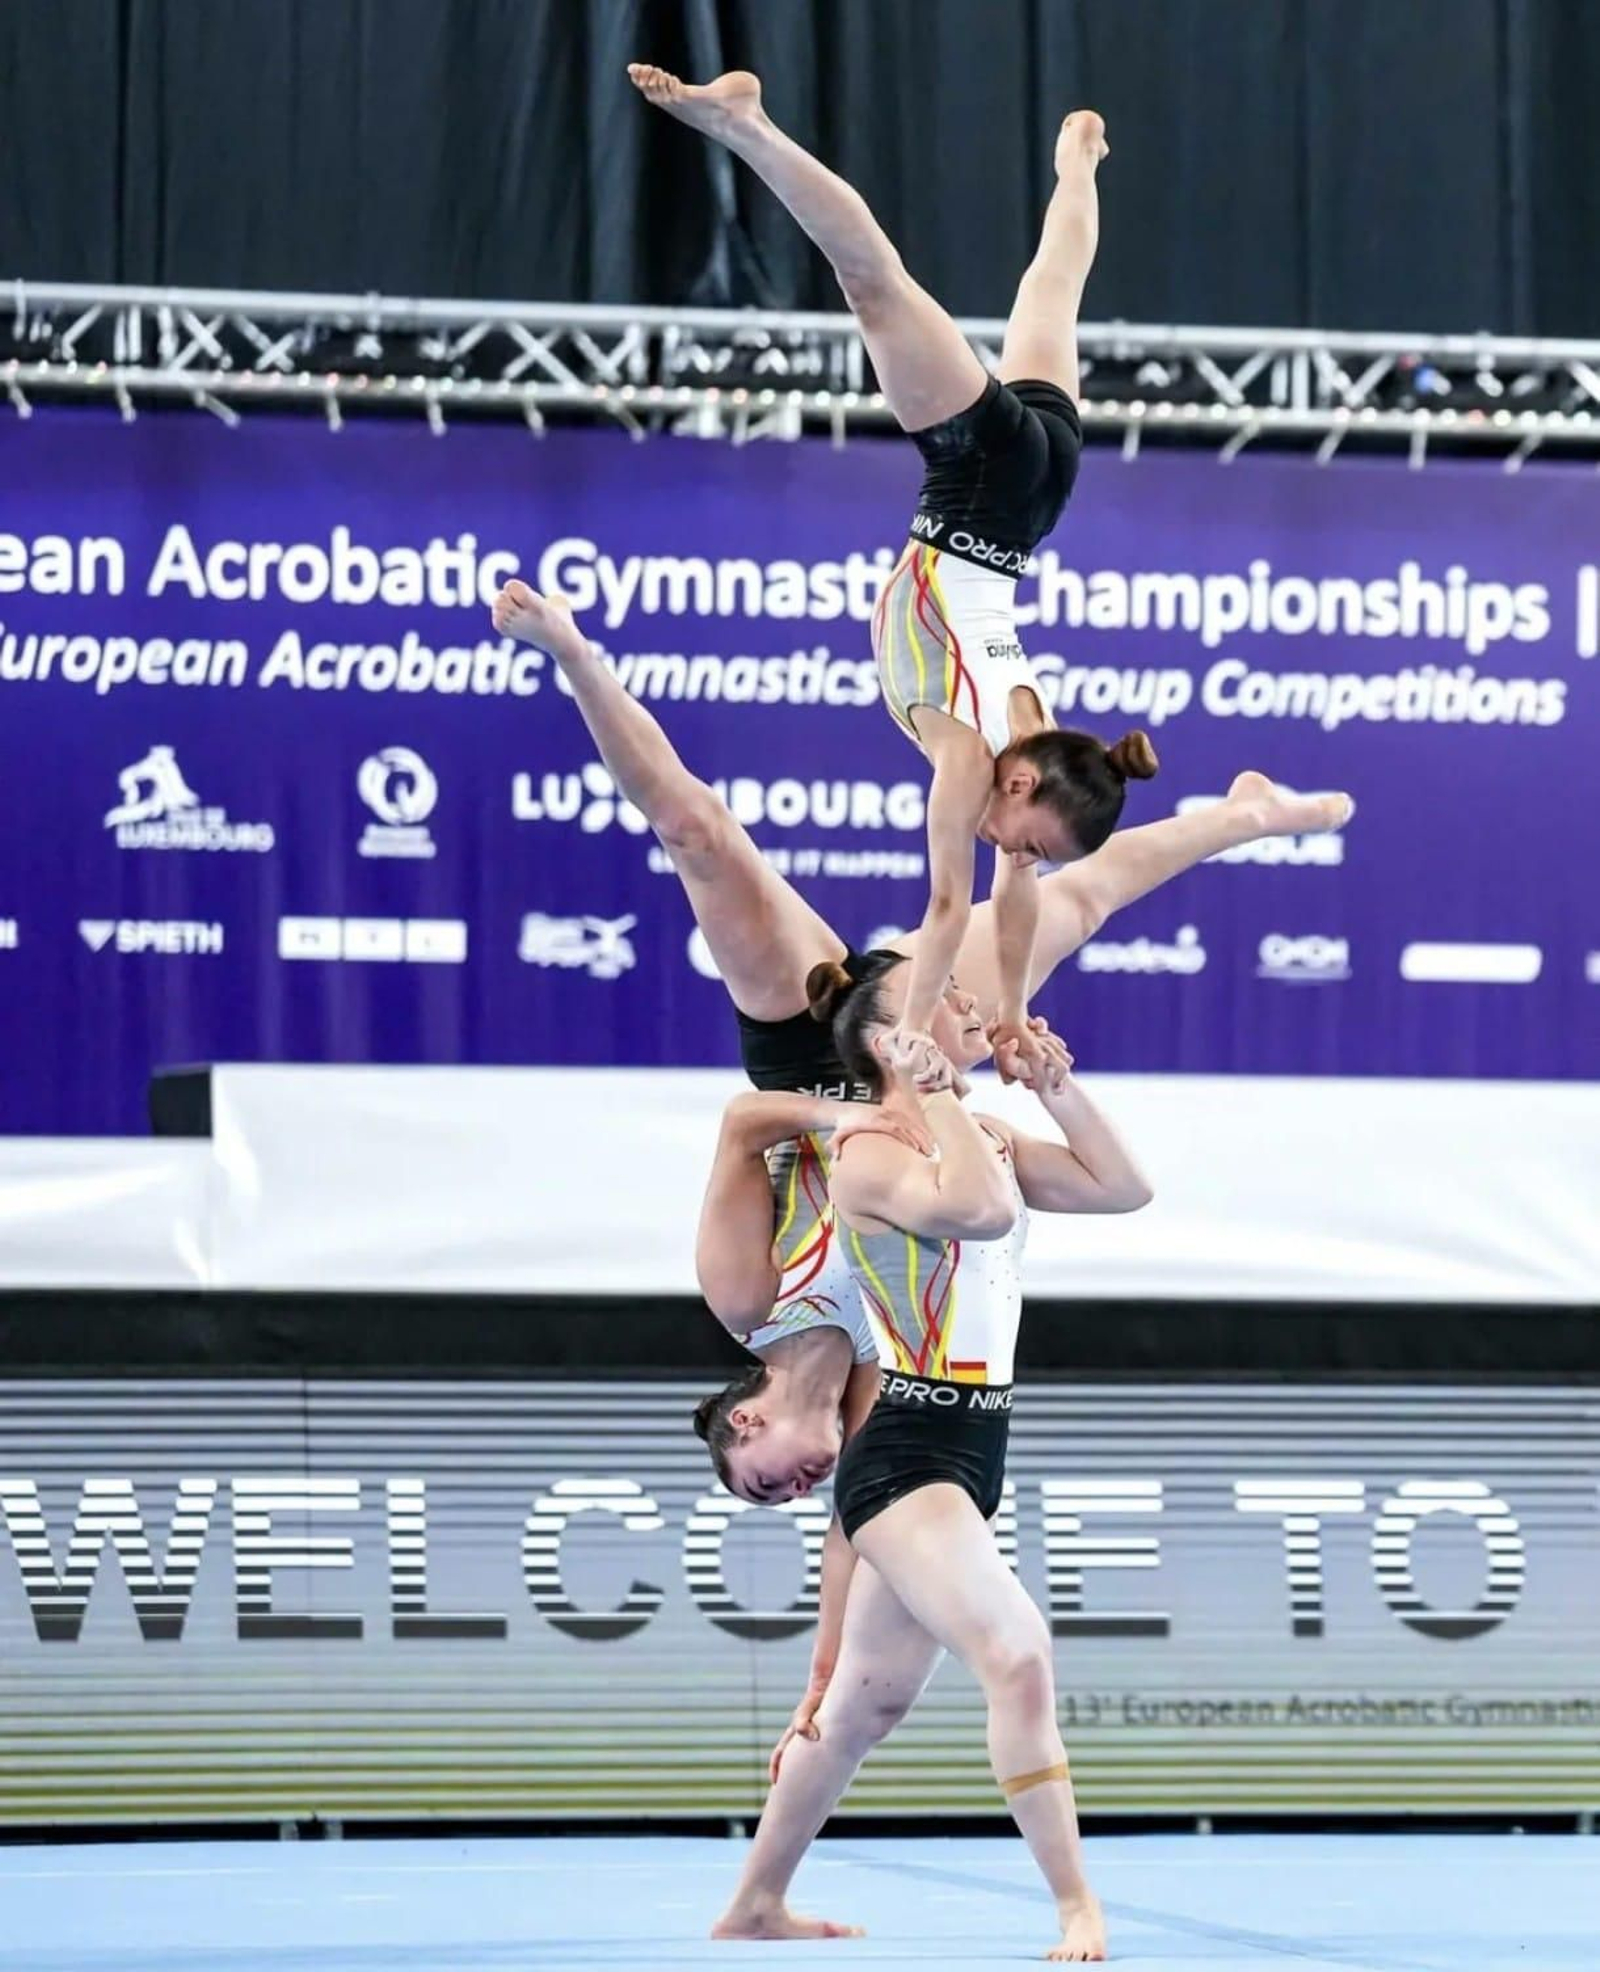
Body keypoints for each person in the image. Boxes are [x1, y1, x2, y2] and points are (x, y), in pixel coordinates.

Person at [488, 581, 1353, 1491]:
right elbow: (869, 1521)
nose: (796, 1489)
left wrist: (847, 1120)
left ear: (745, 1420)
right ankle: (1245, 814)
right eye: (790, 1497)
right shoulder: (876, 1366)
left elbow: (746, 1124)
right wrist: (920, 1099)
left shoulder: (747, 1298)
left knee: (699, 834)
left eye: (763, 1482)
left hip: (806, 1047)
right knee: (1071, 902)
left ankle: (575, 656)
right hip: (915, 1069)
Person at [626, 63, 1149, 1084]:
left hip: (1042, 489)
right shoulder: (967, 764)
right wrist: (914, 1031)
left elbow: (1018, 895)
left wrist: (1011, 1014)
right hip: (980, 481)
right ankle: (750, 129)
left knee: (1052, 293)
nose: (1014, 851)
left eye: (1027, 849)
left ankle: (1076, 163)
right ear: (1017, 780)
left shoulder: (1036, 738)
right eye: (1023, 833)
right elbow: (949, 912)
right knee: (874, 286)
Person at [704, 993, 1144, 1960]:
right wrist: (935, 1093)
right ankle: (1076, 1904)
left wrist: (1057, 1091)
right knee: (1017, 1652)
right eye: (937, 1004)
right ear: (886, 1042)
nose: (968, 1008)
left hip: (973, 1445)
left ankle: (755, 1902)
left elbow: (1122, 1189)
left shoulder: (977, 1130)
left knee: (862, 1704)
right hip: (909, 1447)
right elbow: (982, 1214)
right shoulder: (870, 1154)